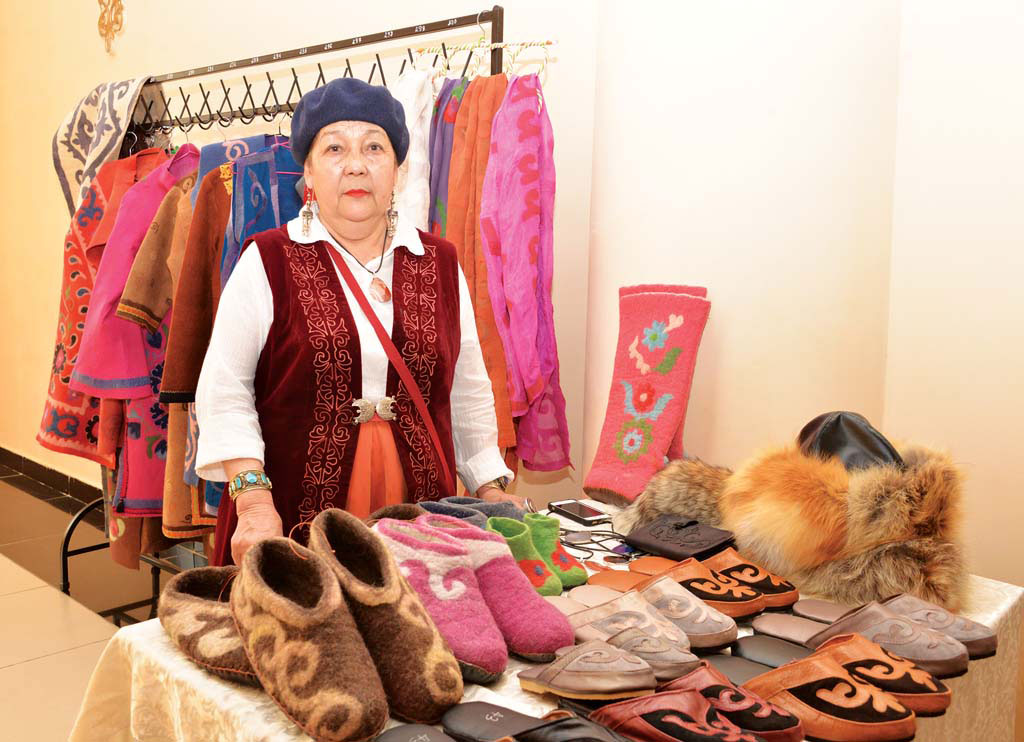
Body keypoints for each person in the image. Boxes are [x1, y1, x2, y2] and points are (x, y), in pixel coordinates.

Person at [195, 78, 517, 566]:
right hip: (290, 510)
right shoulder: (268, 259)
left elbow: (466, 388)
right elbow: (225, 388)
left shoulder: (439, 261)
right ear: (308, 169)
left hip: (419, 507)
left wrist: (489, 486)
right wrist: (254, 502)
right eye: (334, 149)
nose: (356, 165)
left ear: (398, 168)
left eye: (374, 147)